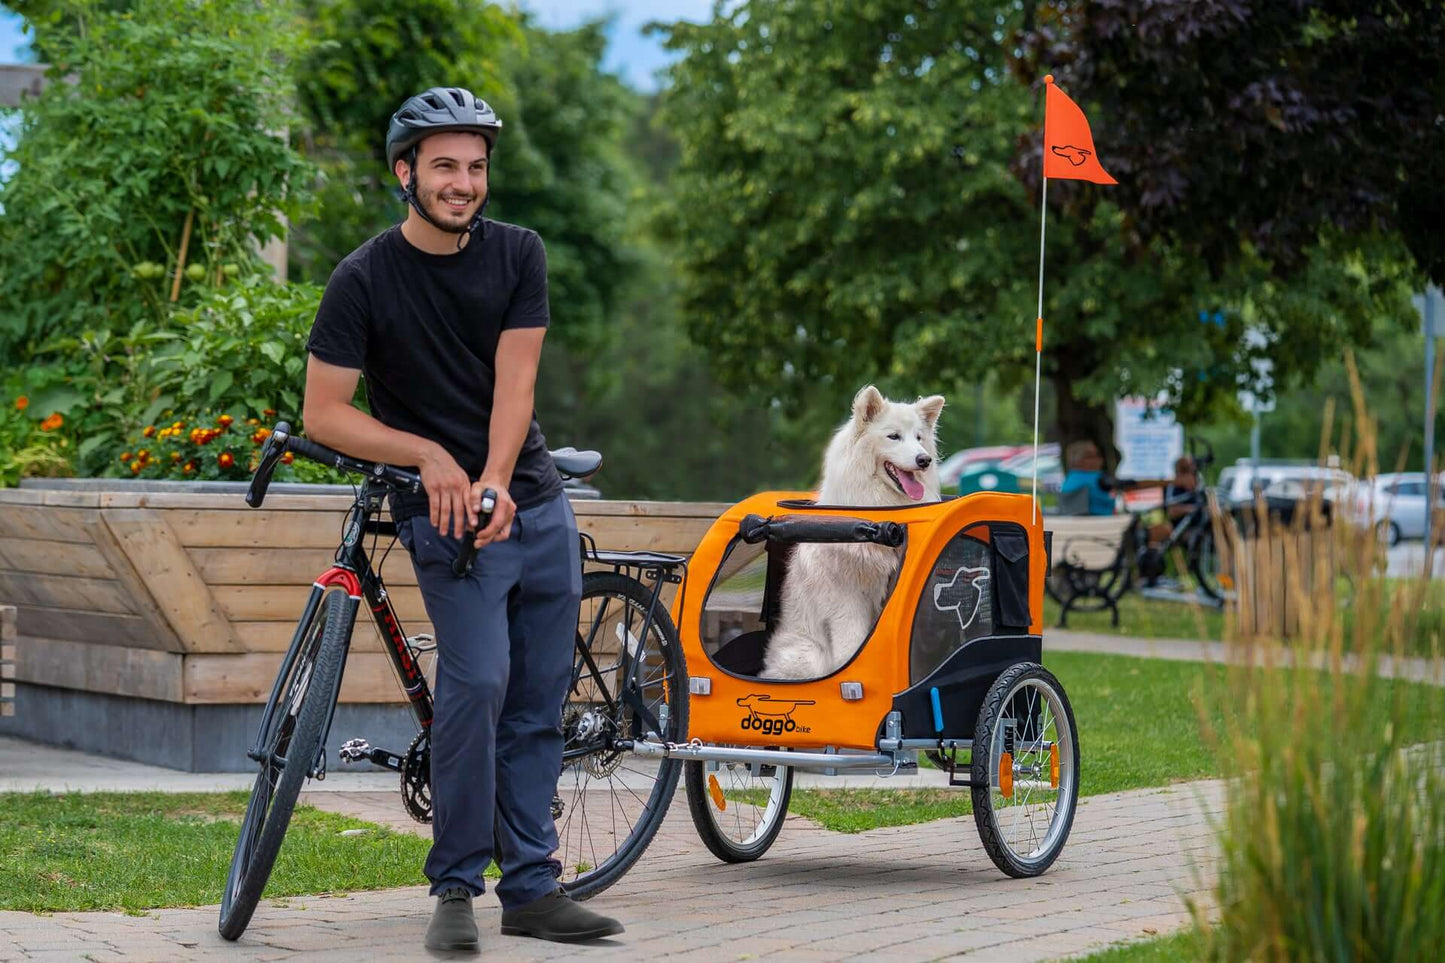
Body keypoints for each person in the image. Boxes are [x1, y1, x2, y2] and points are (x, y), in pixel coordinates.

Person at [301, 86, 622, 953]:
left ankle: (532, 889)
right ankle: (454, 887)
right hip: (440, 516)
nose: (463, 183)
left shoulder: (519, 254)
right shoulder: (362, 278)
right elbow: (324, 413)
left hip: (533, 502)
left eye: (475, 168)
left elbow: (515, 385)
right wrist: (427, 456)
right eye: (444, 165)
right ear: (404, 172)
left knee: (536, 703)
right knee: (476, 687)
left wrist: (492, 475)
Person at [1058, 440, 1117, 515]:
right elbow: (1115, 483)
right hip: (1099, 522)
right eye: (1092, 456)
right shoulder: (1095, 478)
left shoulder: (1069, 480)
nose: (1100, 459)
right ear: (1079, 461)